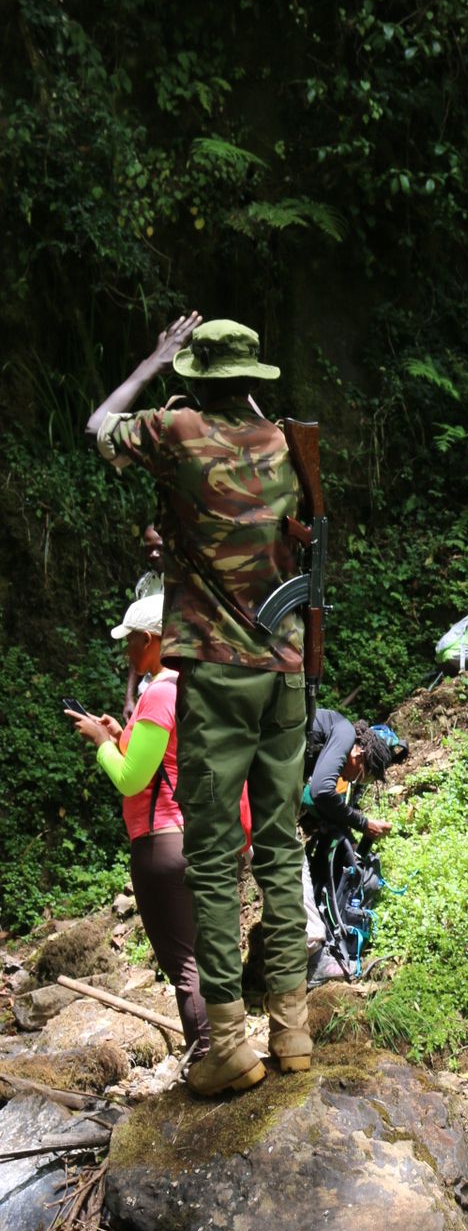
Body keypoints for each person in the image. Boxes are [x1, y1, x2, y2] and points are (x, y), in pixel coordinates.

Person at [86, 314, 312, 1097]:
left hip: (214, 671)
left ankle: (228, 1044)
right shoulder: (286, 443)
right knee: (279, 842)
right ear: (253, 379)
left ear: (197, 377)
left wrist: (151, 361)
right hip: (287, 669)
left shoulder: (179, 430)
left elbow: (98, 426)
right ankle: (293, 1029)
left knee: (214, 857)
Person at [67, 594, 212, 1069]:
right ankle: (222, 1050)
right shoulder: (187, 685)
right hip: (193, 835)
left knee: (183, 965)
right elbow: (163, 757)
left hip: (160, 843)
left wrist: (103, 743)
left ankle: (207, 1058)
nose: (127, 651)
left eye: (131, 641)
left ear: (151, 640)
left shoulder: (158, 693)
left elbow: (132, 777)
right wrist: (121, 730)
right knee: (203, 955)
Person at [301, 712, 407, 981]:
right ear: (359, 757)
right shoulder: (345, 732)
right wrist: (363, 823)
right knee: (291, 868)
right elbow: (320, 793)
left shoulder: (332, 734)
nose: (350, 782)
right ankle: (313, 963)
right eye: (362, 778)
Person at [123, 525, 165, 722]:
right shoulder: (144, 585)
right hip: (147, 686)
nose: (154, 554)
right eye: (148, 549)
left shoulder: (185, 583)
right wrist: (129, 697)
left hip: (171, 685)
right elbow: (137, 641)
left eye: (159, 547)